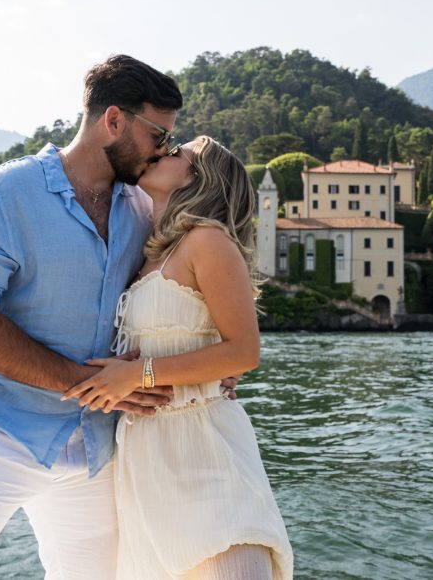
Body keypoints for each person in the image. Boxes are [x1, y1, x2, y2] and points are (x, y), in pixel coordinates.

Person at [0, 55, 241, 579]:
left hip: (97, 451)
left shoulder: (143, 208)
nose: (164, 149)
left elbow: (180, 297)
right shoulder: (4, 194)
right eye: (158, 134)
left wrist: (203, 369)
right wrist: (79, 381)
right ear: (114, 120)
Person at [64, 135, 293, 579]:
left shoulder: (208, 241)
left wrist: (138, 376)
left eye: (177, 153)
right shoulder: (151, 252)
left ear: (196, 177)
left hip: (204, 449)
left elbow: (244, 351)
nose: (161, 152)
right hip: (147, 463)